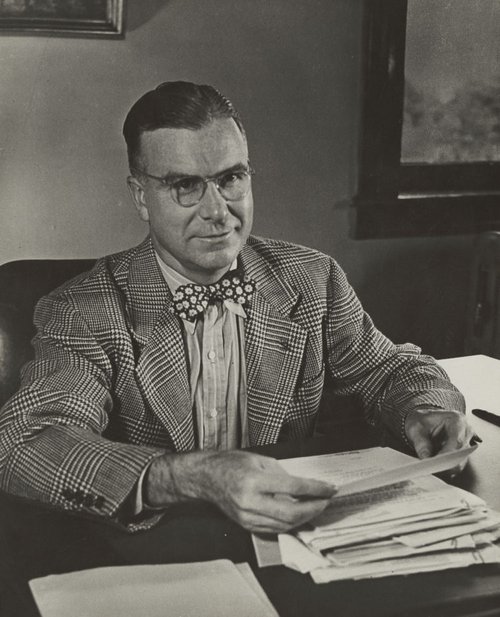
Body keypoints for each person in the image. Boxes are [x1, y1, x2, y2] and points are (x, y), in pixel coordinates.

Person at [0, 81, 472, 535]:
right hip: (160, 554)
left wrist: (424, 408)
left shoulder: (312, 279)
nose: (218, 211)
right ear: (141, 196)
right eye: (186, 185)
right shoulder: (83, 309)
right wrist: (193, 476)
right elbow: (29, 444)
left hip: (295, 539)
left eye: (231, 178)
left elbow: (388, 370)